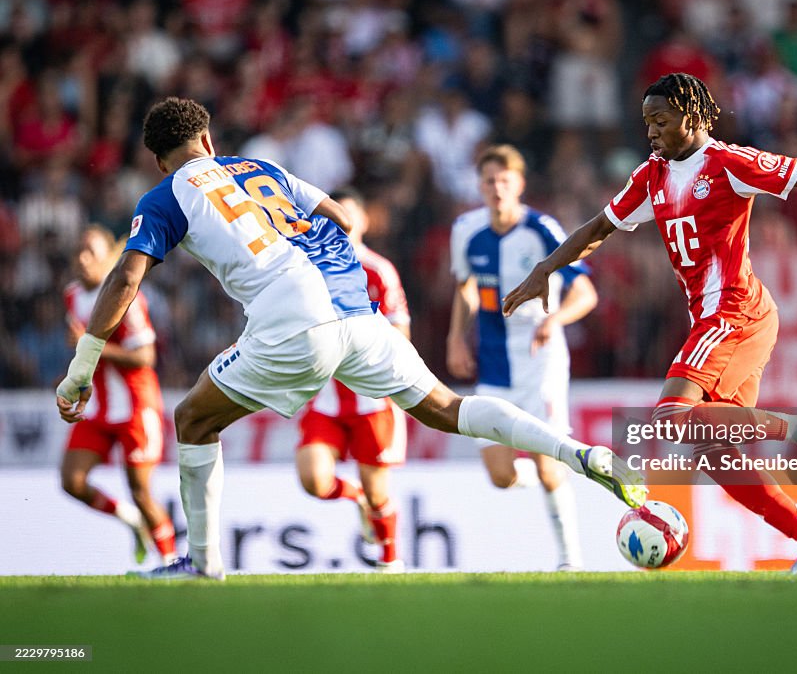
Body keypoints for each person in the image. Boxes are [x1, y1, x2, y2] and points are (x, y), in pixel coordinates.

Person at [55, 97, 645, 580]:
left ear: (162, 162)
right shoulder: (262, 169)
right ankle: (581, 455)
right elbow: (341, 217)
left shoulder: (165, 196)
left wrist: (81, 368)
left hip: (291, 323)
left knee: (193, 421)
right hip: (359, 311)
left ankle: (204, 566)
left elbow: (126, 275)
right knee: (446, 408)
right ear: (209, 141)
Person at [504, 73, 797, 575]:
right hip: (720, 319)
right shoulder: (651, 175)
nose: (650, 132)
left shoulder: (729, 163)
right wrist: (545, 268)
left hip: (733, 313)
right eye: (646, 122)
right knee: (718, 456)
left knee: (669, 417)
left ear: (690, 118)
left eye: (660, 121)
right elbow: (599, 228)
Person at [448, 145, 597, 571]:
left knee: (550, 471)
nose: (497, 189)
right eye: (490, 181)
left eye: (505, 181)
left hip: (540, 363)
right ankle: (546, 469)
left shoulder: (542, 230)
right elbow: (464, 287)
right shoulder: (466, 230)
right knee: (500, 476)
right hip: (494, 362)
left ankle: (571, 560)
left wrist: (555, 321)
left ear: (520, 185)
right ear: (480, 186)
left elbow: (585, 293)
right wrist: (455, 338)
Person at [295, 188, 409, 572]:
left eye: (347, 215)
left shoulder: (377, 270)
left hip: (371, 400)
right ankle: (355, 496)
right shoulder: (305, 270)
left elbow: (400, 333)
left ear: (362, 221)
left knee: (381, 493)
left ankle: (390, 562)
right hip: (325, 398)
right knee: (314, 479)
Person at [60, 225, 177, 567]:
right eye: (78, 252)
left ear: (107, 257)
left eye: (91, 253)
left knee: (141, 491)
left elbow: (145, 357)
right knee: (72, 480)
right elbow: (84, 355)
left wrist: (91, 345)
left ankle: (171, 564)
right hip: (98, 408)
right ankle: (129, 520)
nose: (82, 260)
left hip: (136, 407)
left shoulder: (129, 297)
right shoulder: (71, 295)